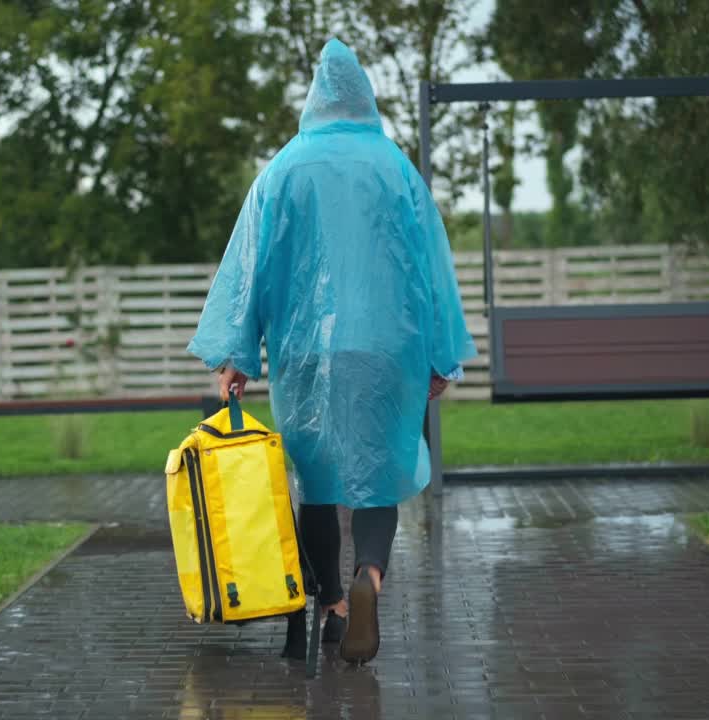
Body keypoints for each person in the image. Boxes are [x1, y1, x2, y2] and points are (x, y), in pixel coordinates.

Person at [187, 38, 476, 665]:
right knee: (378, 481)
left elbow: (250, 263)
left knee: (315, 483)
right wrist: (441, 354)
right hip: (387, 348)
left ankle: (333, 612)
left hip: (304, 353)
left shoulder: (283, 169)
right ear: (364, 97)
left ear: (315, 99)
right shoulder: (396, 168)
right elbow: (431, 265)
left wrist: (237, 354)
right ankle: (368, 580)